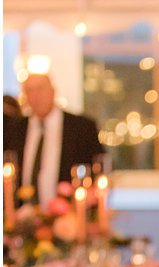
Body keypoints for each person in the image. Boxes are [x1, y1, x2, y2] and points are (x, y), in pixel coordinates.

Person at [3, 72, 105, 205]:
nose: (35, 96)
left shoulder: (81, 128)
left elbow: (100, 169)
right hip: (23, 217)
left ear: (52, 91)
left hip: (69, 215)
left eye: (40, 89)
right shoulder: (15, 129)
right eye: (29, 91)